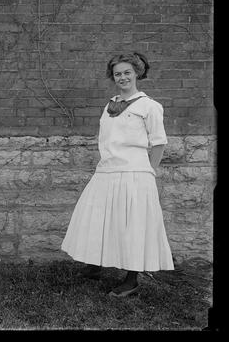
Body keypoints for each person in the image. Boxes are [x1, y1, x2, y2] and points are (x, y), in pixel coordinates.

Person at [61, 52, 174, 297]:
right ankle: (94, 266)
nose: (122, 78)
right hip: (107, 171)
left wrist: (149, 172)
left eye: (127, 73)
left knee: (131, 226)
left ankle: (131, 279)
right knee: (97, 220)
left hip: (134, 174)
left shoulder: (149, 106)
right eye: (117, 74)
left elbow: (159, 143)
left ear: (137, 74)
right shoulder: (110, 105)